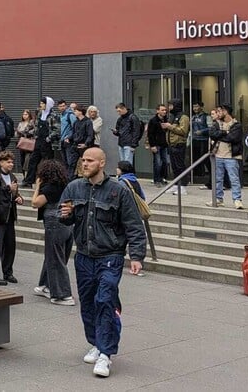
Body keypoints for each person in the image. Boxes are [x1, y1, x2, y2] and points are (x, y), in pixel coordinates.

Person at [59, 148, 146, 378]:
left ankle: (106, 354)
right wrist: (66, 214)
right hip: (84, 256)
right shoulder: (74, 187)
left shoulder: (118, 191)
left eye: (89, 161)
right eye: (83, 160)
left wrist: (136, 256)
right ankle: (96, 342)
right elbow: (64, 216)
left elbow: (134, 225)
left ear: (102, 163)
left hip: (110, 256)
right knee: (87, 302)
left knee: (105, 299)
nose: (84, 164)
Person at [31, 160, 74, 305]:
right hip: (66, 223)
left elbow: (35, 203)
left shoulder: (49, 187)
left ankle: (62, 295)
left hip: (54, 223)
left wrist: (37, 186)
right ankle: (45, 285)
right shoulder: (65, 184)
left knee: (55, 258)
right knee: (55, 256)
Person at [209, 104, 244, 209]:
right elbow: (212, 134)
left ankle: (237, 199)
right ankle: (219, 199)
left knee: (234, 178)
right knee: (218, 178)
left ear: (225, 112)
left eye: (219, 111)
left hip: (231, 156)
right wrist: (225, 132)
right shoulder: (217, 124)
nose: (218, 114)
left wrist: (220, 136)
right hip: (218, 154)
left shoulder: (236, 124)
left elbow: (233, 138)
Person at [0, 151, 21, 285]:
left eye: (12, 162)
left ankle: (8, 272)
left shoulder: (13, 176)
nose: (11, 164)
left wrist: (18, 197)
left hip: (10, 215)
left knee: (10, 245)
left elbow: (15, 193)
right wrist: (8, 188)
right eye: (8, 162)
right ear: (1, 162)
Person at [24, 97, 61, 189]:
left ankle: (47, 181)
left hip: (48, 143)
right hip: (38, 141)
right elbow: (36, 126)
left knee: (47, 162)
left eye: (42, 103)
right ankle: (29, 181)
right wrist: (32, 133)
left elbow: (57, 129)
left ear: (47, 104)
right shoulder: (40, 113)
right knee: (33, 160)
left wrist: (49, 138)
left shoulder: (54, 115)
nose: (41, 105)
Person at [163, 99, 190, 194]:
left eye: (171, 106)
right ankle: (176, 184)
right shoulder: (172, 116)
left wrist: (169, 126)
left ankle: (183, 186)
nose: (169, 108)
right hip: (171, 144)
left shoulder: (184, 117)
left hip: (179, 144)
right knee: (174, 166)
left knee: (180, 165)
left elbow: (183, 131)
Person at [146, 105, 170, 187]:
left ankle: (163, 178)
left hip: (164, 144)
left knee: (165, 162)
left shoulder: (166, 120)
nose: (164, 112)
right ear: (157, 111)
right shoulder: (153, 121)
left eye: (165, 110)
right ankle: (157, 179)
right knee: (158, 162)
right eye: (162, 110)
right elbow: (150, 134)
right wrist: (152, 145)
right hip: (156, 144)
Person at [67, 105, 95, 174]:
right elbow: (73, 133)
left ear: (80, 112)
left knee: (87, 163)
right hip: (75, 145)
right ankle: (70, 180)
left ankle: (87, 177)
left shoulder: (88, 122)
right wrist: (69, 138)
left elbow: (90, 135)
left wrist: (85, 144)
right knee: (71, 164)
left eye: (75, 111)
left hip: (84, 146)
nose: (74, 112)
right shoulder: (76, 122)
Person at [191, 102, 212, 182]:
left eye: (196, 106)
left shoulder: (206, 116)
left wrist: (202, 131)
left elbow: (210, 128)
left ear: (201, 107)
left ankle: (210, 176)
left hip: (204, 140)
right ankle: (198, 176)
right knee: (196, 158)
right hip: (195, 140)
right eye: (194, 107)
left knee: (205, 159)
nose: (195, 108)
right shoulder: (193, 117)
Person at [16, 109, 36, 174]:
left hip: (29, 142)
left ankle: (28, 174)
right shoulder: (20, 123)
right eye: (23, 114)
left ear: (29, 115)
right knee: (22, 159)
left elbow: (35, 131)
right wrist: (18, 132)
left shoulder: (32, 122)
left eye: (26, 114)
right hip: (22, 142)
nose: (24, 116)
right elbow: (16, 134)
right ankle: (23, 174)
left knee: (28, 160)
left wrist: (27, 133)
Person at [58, 100, 77, 169]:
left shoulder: (70, 115)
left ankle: (71, 178)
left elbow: (75, 128)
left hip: (68, 141)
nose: (62, 107)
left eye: (63, 106)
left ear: (66, 106)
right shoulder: (60, 116)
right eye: (60, 106)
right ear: (58, 107)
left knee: (70, 161)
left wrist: (69, 137)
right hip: (61, 141)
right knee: (64, 161)